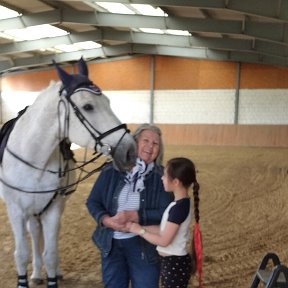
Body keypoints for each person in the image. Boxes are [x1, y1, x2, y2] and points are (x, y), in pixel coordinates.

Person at [86, 123, 174, 288]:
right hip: (111, 244)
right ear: (134, 143)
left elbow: (166, 212)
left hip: (144, 246)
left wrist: (135, 216)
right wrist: (106, 220)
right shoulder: (111, 169)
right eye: (145, 140)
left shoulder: (162, 176)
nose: (150, 146)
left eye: (155, 144)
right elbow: (93, 201)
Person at [127, 157, 201, 288]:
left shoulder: (178, 209)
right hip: (172, 263)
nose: (162, 178)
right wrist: (136, 227)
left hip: (174, 264)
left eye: (165, 176)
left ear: (176, 182)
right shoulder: (179, 204)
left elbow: (164, 240)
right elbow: (163, 230)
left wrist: (140, 231)